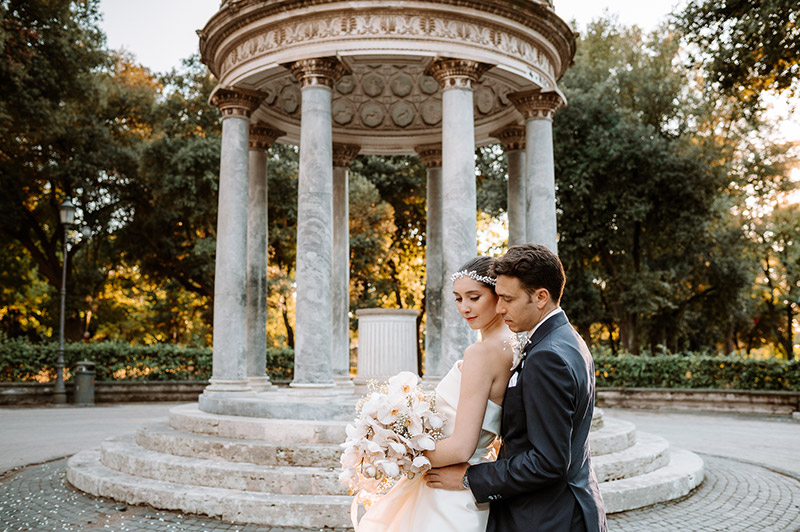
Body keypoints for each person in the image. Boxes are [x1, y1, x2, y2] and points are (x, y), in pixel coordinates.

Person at [425, 244, 608, 532]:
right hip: (560, 508)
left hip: (547, 517)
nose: (499, 308)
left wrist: (470, 478)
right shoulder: (566, 340)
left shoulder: (548, 356)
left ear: (540, 297)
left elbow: (548, 462)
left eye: (507, 299)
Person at [353, 256, 514, 532]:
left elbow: (462, 446)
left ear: (498, 296)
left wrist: (397, 454)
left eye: (474, 297)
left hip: (448, 490)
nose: (464, 307)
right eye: (458, 298)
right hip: (466, 488)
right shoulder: (509, 344)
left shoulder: (482, 353)